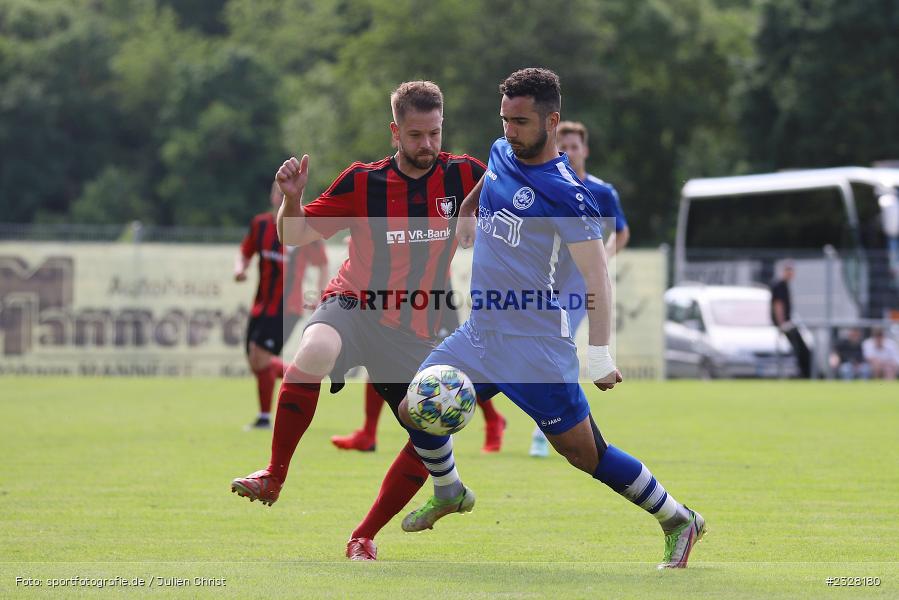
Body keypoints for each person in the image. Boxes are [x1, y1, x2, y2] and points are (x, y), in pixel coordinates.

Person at [400, 68, 705, 569]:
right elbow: (487, 180)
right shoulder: (502, 152)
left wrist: (601, 354)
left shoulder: (567, 194)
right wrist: (468, 213)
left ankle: (678, 519)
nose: (508, 131)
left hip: (535, 345)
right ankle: (450, 490)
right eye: (504, 120)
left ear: (551, 120)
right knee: (417, 405)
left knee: (585, 455)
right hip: (481, 334)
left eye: (520, 122)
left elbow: (597, 276)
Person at [230, 81, 486, 562]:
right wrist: (291, 200)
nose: (427, 145)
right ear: (394, 132)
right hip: (354, 303)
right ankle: (273, 475)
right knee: (313, 351)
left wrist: (479, 210)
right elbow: (295, 234)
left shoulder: (467, 174)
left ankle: (363, 536)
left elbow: (517, 186)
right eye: (415, 135)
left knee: (429, 431)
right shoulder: (362, 181)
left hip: (415, 326)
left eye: (434, 133)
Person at [529, 120, 630, 457]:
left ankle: (549, 428)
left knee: (561, 345)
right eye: (564, 147)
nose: (569, 152)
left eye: (574, 147)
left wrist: (603, 257)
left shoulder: (602, 192)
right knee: (543, 350)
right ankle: (551, 420)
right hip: (545, 283)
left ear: (584, 150)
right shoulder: (551, 185)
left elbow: (622, 232)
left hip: (578, 285)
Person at [329, 277, 507, 453]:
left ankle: (492, 420)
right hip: (397, 283)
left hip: (433, 282)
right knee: (380, 353)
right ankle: (368, 433)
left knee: (450, 369)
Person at [235, 182, 329, 429]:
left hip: (288, 308)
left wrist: (318, 294)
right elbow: (245, 251)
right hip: (261, 306)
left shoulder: (305, 228)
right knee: (257, 361)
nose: (282, 196)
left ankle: (265, 417)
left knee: (261, 358)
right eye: (279, 192)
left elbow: (322, 263)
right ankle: (302, 379)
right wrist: (240, 269)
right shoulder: (261, 224)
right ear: (273, 196)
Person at [770, 261, 812, 378]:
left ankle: (805, 373)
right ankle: (806, 374)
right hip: (785, 324)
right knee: (802, 349)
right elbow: (778, 306)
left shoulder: (785, 285)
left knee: (801, 348)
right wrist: (781, 324)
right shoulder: (779, 286)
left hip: (788, 322)